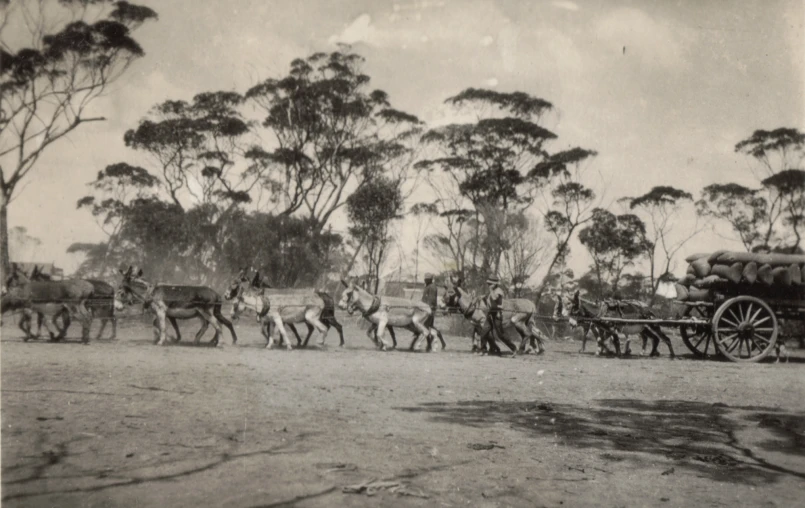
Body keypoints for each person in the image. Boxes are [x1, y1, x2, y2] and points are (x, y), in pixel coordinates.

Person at [483, 275, 506, 343]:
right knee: (484, 331)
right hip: (490, 313)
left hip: (497, 313)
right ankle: (483, 349)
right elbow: (488, 299)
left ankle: (513, 348)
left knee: (500, 334)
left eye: (490, 284)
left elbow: (494, 298)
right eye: (488, 284)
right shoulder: (493, 290)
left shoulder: (499, 291)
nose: (488, 285)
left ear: (495, 284)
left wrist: (490, 290)